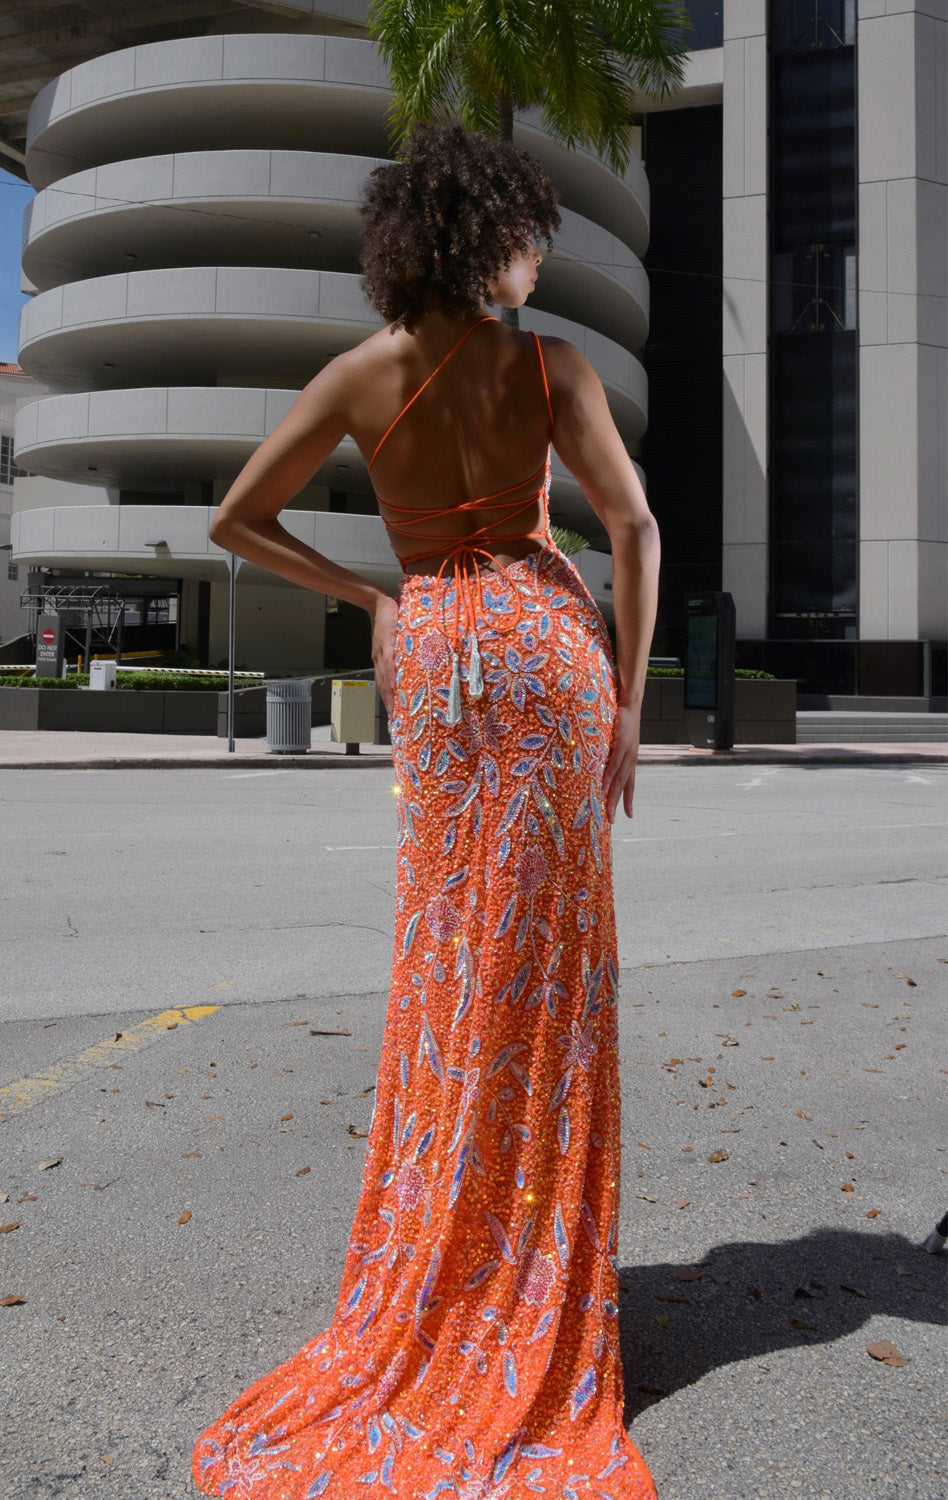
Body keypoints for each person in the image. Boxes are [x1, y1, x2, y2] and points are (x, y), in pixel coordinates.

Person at [192, 122, 661, 1500]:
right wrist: (629, 702)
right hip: (543, 648)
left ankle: (444, 1259)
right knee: (551, 970)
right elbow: (631, 529)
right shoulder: (552, 367)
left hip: (443, 659)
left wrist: (384, 595)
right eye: (525, 233)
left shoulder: (358, 375)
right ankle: (528, 1264)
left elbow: (236, 517)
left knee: (453, 961)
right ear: (487, 237)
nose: (535, 256)